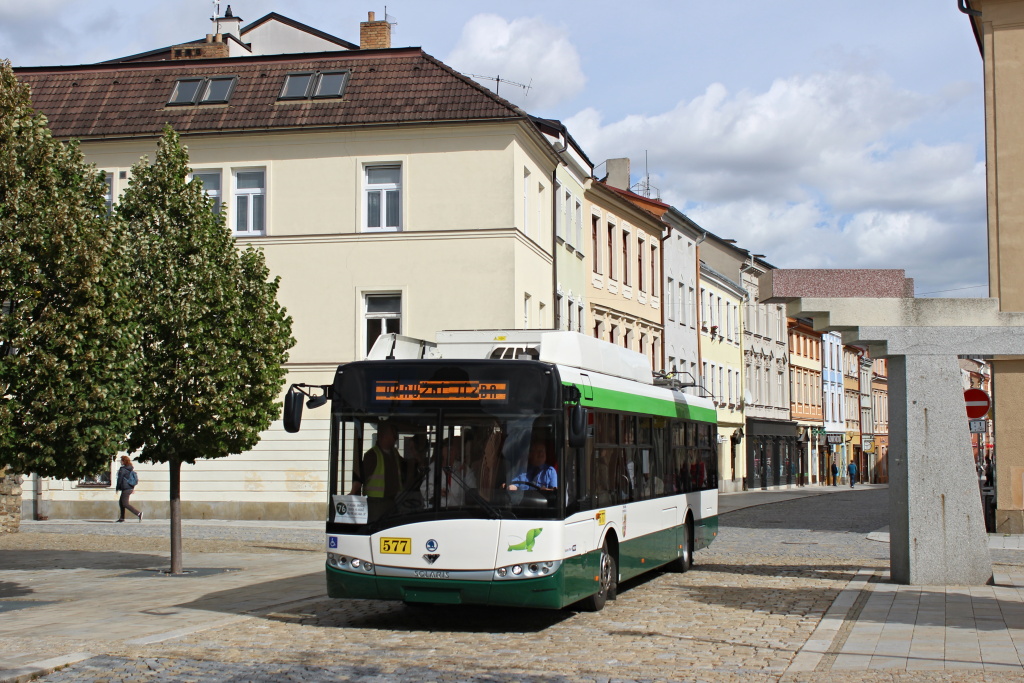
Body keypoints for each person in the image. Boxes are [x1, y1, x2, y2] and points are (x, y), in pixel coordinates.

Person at [350, 422, 405, 519]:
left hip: (393, 501)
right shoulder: (372, 455)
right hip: (375, 504)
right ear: (385, 435)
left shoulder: (395, 453)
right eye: (394, 434)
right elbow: (361, 476)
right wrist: (352, 492)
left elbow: (405, 466)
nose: (396, 438)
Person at [115, 455, 142, 522]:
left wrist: (117, 488)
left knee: (125, 503)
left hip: (126, 488)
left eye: (121, 460)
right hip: (129, 488)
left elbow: (120, 479)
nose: (120, 462)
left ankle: (138, 513)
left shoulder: (123, 469)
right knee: (121, 502)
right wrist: (132, 488)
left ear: (124, 461)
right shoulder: (130, 468)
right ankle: (122, 518)